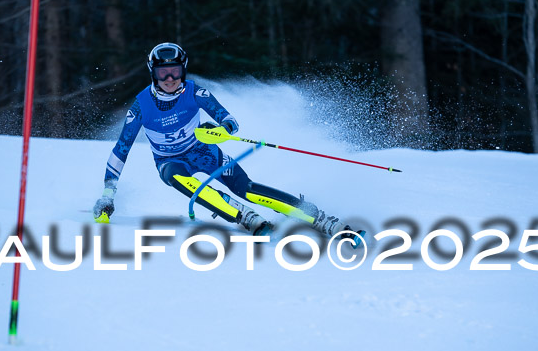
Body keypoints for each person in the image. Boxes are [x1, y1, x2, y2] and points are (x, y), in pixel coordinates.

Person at [93, 42, 359, 239]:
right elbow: (121, 149)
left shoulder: (195, 92)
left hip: (204, 151)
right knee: (181, 179)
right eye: (164, 74)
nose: (170, 79)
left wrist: (223, 128)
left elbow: (227, 117)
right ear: (153, 73)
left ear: (183, 70)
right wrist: (108, 193)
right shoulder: (141, 106)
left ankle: (322, 220)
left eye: (175, 72)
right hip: (170, 162)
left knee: (249, 189)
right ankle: (245, 217)